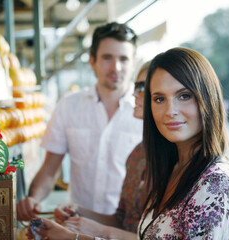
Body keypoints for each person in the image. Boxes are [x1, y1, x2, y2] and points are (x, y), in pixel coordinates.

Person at [17, 22, 143, 221]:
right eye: (107, 58)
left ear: (134, 63)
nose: (116, 67)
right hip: (77, 223)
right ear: (92, 61)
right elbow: (50, 170)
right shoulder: (69, 106)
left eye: (124, 59)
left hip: (127, 228)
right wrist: (33, 199)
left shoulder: (149, 112)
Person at [27, 62, 150, 240]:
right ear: (93, 61)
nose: (134, 93)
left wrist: (83, 233)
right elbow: (122, 220)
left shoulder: (175, 160)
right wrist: (79, 212)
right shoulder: (137, 154)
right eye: (137, 86)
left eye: (143, 87)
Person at [138, 47, 229, 239]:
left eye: (184, 96)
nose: (170, 110)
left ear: (207, 98)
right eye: (159, 99)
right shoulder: (173, 168)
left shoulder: (216, 183)